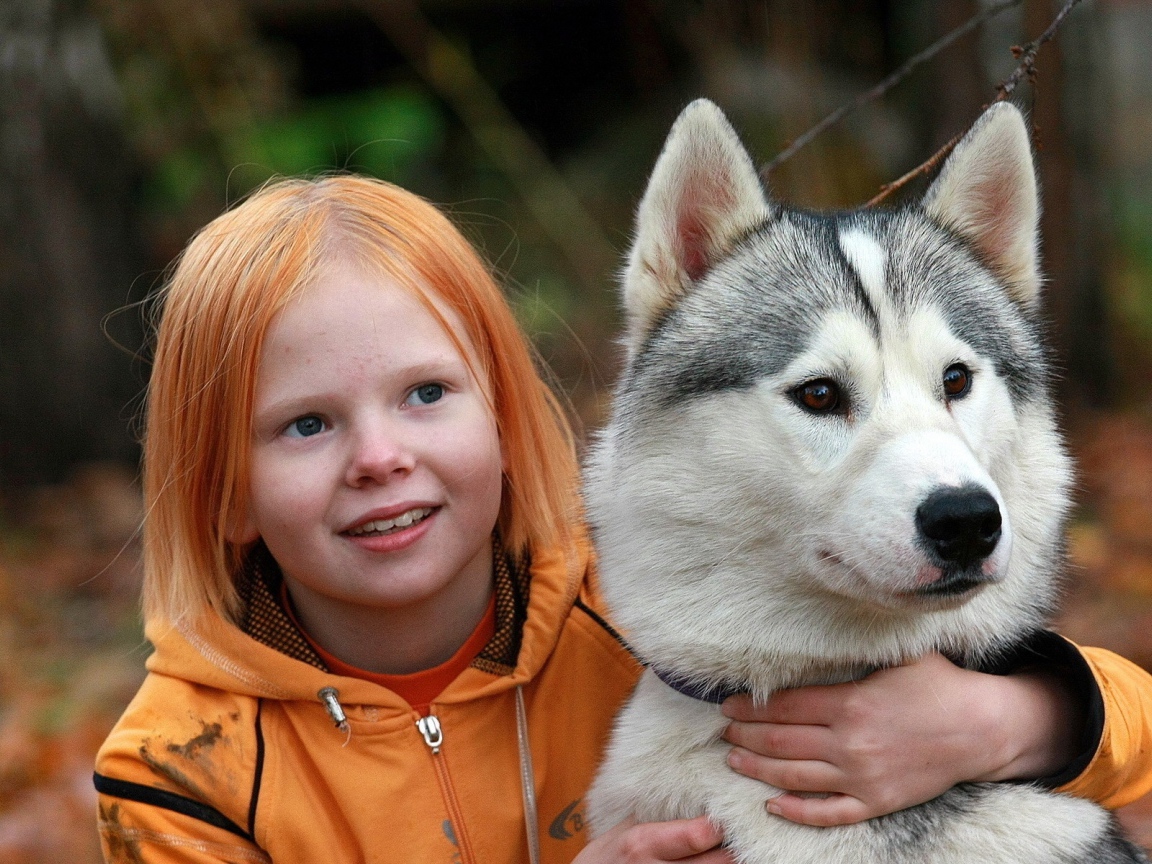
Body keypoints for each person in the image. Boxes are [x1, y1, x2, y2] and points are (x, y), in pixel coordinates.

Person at [95, 175, 1152, 864]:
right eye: (306, 424)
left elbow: (1137, 727)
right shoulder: (181, 772)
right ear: (219, 489)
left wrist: (1014, 721)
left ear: (506, 416)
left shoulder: (641, 614)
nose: (381, 459)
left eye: (426, 395)